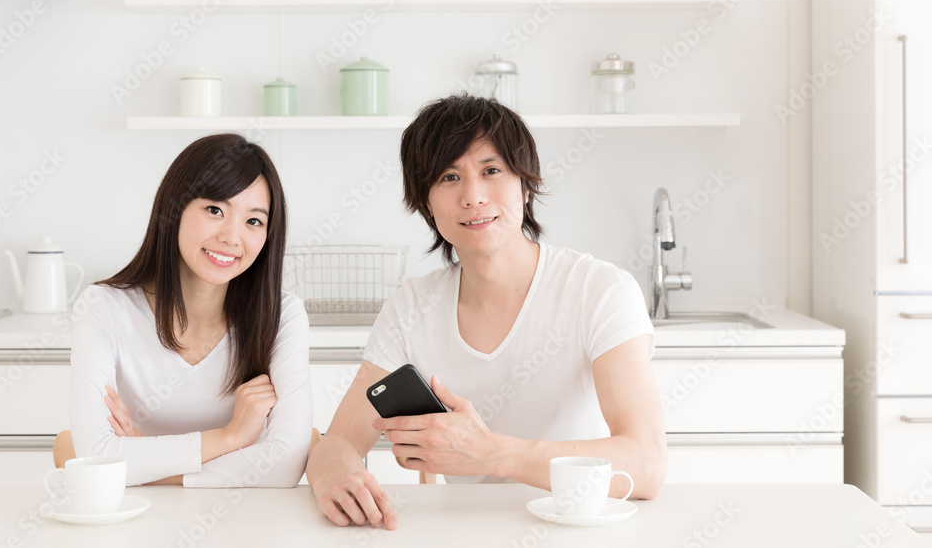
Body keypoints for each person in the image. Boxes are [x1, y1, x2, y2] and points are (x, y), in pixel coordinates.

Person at [306, 95, 667, 529]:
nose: (472, 196)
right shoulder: (413, 305)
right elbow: (338, 443)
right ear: (426, 204)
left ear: (526, 185)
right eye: (449, 177)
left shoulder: (599, 290)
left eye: (491, 171)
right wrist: (338, 479)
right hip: (463, 530)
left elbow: (645, 464)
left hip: (575, 529)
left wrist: (491, 452)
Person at [69, 133, 312, 487]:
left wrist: (148, 465)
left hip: (248, 522)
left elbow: (286, 466)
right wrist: (231, 437)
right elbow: (95, 456)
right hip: (139, 520)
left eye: (254, 221)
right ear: (176, 207)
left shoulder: (283, 316)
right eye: (215, 210)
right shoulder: (104, 307)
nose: (232, 237)